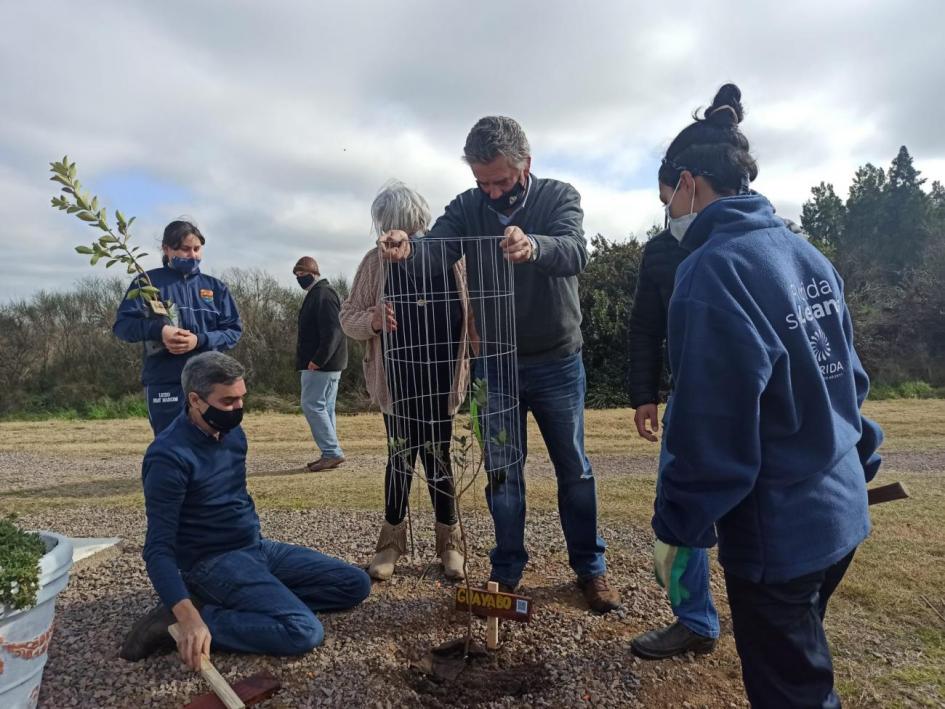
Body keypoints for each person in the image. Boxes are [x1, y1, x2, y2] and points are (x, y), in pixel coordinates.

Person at [649, 84, 883, 707]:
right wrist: (862, 467)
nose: (669, 214)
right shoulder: (804, 253)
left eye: (667, 197)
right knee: (804, 661)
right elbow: (848, 382)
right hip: (841, 513)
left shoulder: (711, 272)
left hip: (779, 535)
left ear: (688, 184)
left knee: (792, 693)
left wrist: (677, 528)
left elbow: (710, 428)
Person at [378, 117, 621, 613]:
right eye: (482, 182)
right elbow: (436, 249)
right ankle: (506, 570)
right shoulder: (468, 208)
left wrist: (535, 246)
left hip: (556, 360)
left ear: (525, 165)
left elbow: (575, 250)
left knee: (573, 469)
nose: (491, 192)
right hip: (494, 365)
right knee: (503, 472)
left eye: (501, 181)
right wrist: (408, 249)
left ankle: (589, 569)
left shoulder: (559, 197)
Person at [119, 352, 371, 668]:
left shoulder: (234, 435)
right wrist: (187, 615)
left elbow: (234, 496)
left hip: (255, 548)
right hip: (211, 563)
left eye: (242, 399)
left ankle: (249, 603)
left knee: (354, 584)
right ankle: (185, 620)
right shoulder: (169, 457)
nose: (238, 409)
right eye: (228, 402)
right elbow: (157, 549)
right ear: (195, 400)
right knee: (303, 631)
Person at [340, 180, 471, 581]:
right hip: (396, 379)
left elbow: (475, 310)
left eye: (401, 224)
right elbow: (348, 316)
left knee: (438, 457)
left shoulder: (451, 258)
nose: (396, 233)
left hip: (441, 375)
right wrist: (373, 321)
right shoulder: (374, 262)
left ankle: (449, 542)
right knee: (399, 457)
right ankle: (390, 544)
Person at [113, 220, 242, 436]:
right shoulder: (146, 284)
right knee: (170, 441)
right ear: (166, 249)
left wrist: (199, 340)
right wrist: (159, 331)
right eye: (185, 249)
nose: (193, 255)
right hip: (165, 380)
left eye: (197, 249)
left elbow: (233, 331)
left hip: (209, 382)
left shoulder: (216, 288)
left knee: (215, 442)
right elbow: (123, 327)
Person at [294, 256, 348, 472]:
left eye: (302, 274)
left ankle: (332, 452)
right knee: (325, 408)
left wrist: (317, 359)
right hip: (329, 364)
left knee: (312, 405)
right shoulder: (320, 293)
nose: (300, 279)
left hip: (322, 365)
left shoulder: (323, 295)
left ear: (314, 272)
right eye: (297, 275)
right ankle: (330, 452)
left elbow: (334, 331)